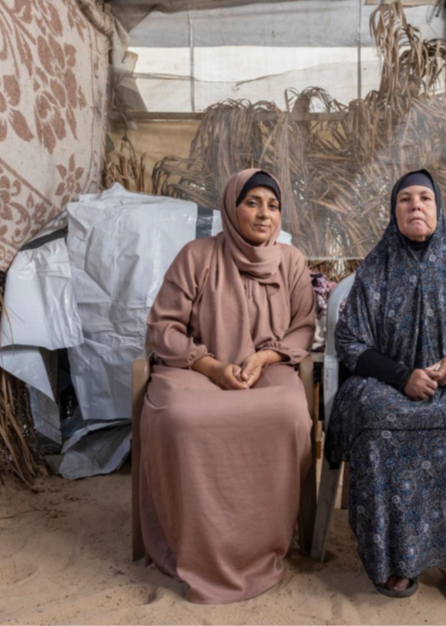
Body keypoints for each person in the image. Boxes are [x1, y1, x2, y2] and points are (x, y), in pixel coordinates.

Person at [324, 170, 446, 616]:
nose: (415, 206)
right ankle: (396, 558)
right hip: (384, 384)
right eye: (405, 199)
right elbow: (349, 343)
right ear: (394, 213)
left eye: (424, 198)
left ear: (437, 209)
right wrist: (400, 375)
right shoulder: (375, 268)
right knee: (378, 427)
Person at [140, 169, 315, 604]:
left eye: (273, 206)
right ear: (231, 208)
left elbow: (302, 329)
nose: (264, 214)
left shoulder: (291, 261)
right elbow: (164, 328)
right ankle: (197, 544)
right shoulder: (196, 255)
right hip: (196, 368)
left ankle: (261, 541)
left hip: (264, 368)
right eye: (252, 202)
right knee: (180, 417)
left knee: (290, 415)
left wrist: (263, 357)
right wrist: (212, 366)